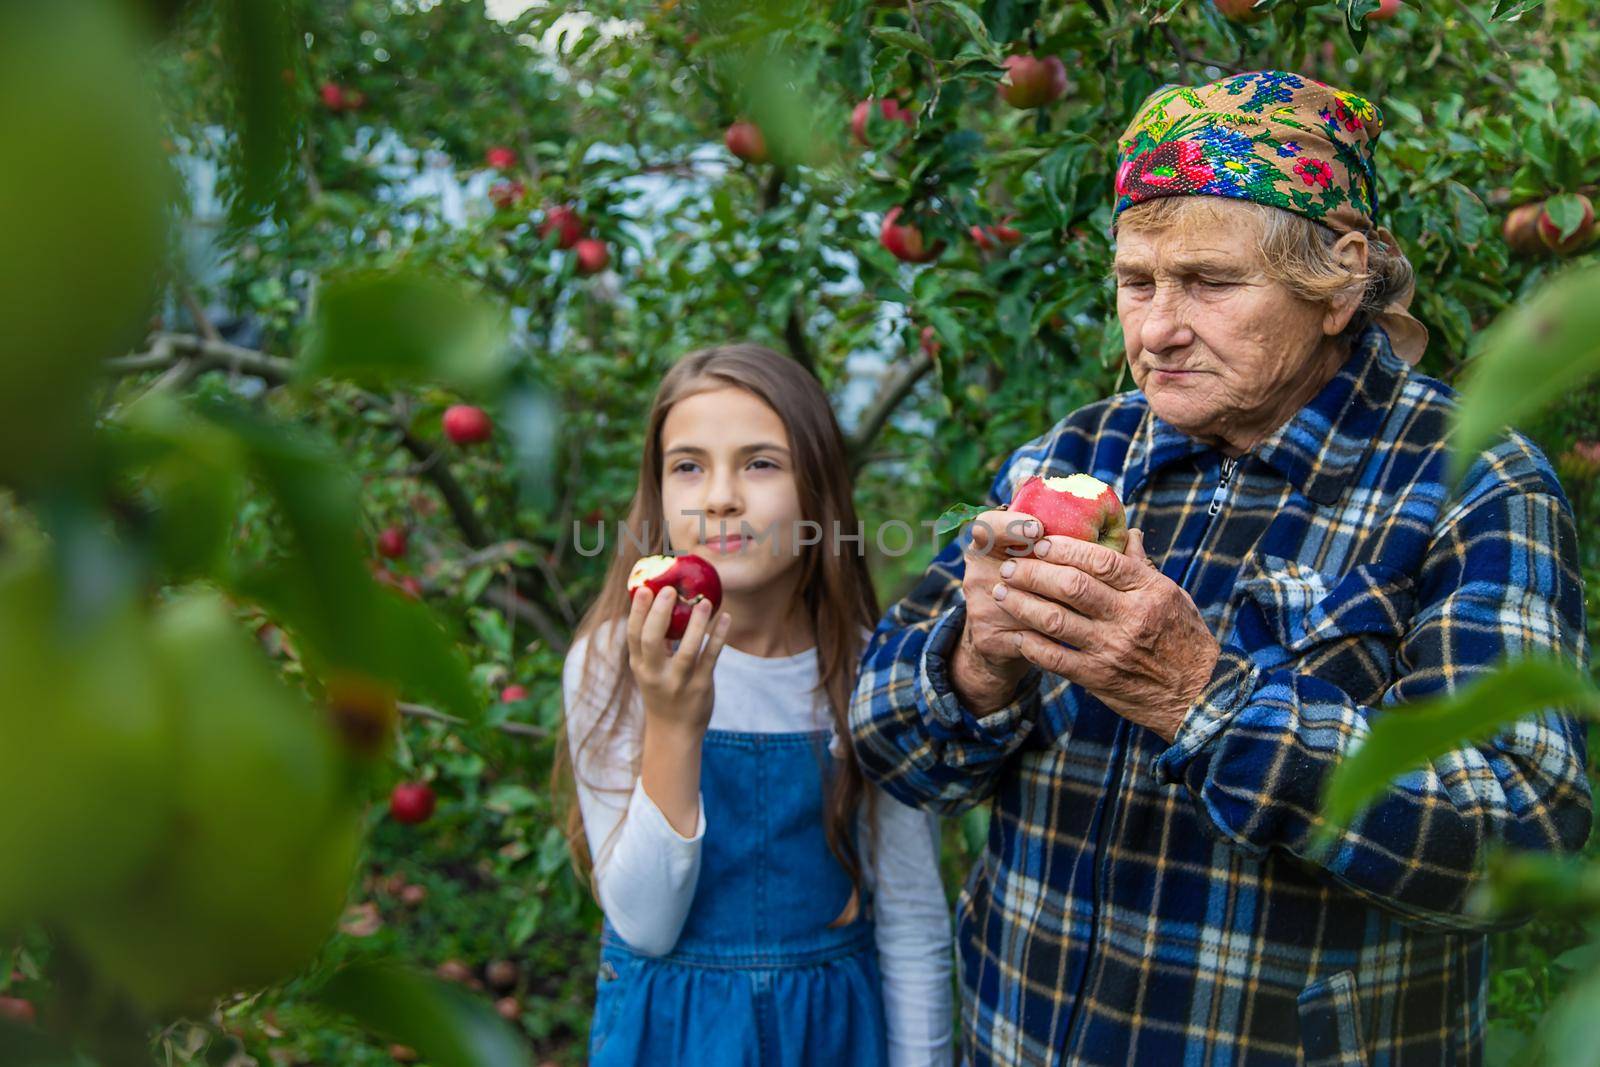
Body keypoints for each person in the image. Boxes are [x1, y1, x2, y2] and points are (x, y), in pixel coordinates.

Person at [849, 70, 1592, 1065]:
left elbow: (1521, 835)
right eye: (1136, 281)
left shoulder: (1469, 480)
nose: (1155, 327)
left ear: (1337, 280)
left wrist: (1201, 694)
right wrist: (978, 662)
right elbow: (888, 743)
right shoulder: (1071, 458)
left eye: (1208, 280)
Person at [558, 343, 954, 1066]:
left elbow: (913, 920)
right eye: (688, 465)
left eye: (760, 462)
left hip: (832, 1033)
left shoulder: (878, 669)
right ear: (657, 491)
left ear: (818, 493)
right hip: (673, 1035)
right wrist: (674, 721)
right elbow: (645, 924)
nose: (718, 496)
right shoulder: (613, 660)